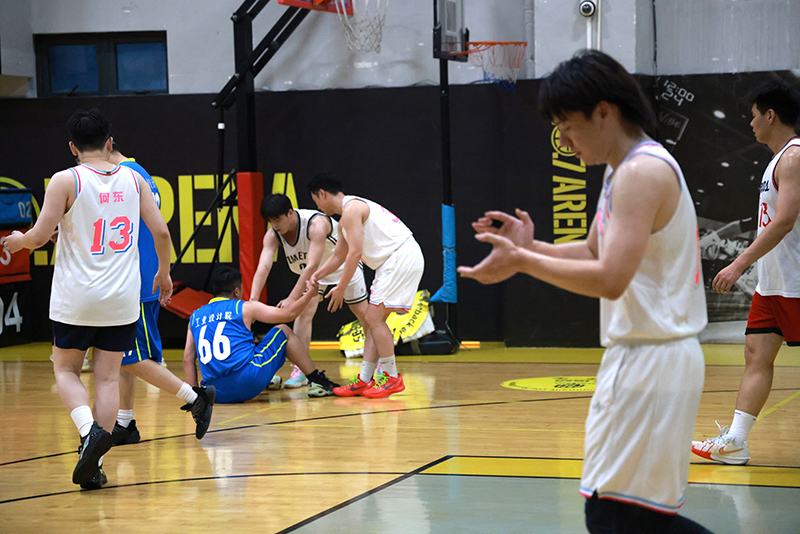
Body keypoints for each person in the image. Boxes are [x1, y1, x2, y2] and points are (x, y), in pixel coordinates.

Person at [458, 50, 712, 533]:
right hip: (641, 356)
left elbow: (610, 278)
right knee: (621, 514)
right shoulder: (622, 169)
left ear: (603, 111)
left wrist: (523, 262)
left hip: (654, 359)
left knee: (619, 516)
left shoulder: (641, 172)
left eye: (567, 126)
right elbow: (596, 250)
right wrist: (530, 247)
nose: (565, 140)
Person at [3, 109, 173, 490]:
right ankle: (94, 464)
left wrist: (19, 241)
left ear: (72, 147)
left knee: (65, 371)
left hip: (77, 297)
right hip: (122, 299)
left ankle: (88, 431)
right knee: (108, 379)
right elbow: (161, 232)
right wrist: (163, 273)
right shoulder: (135, 178)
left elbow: (38, 236)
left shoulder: (65, 180)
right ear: (110, 142)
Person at [692, 83, 800, 466]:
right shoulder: (776, 161)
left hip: (796, 284)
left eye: (754, 115)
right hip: (773, 285)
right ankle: (736, 442)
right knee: (756, 354)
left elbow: (784, 221)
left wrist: (739, 263)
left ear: (770, 115)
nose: (751, 123)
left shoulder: (794, 157)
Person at [107, 143, 215, 446]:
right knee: (125, 355)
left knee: (129, 357)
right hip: (143, 277)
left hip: (135, 281)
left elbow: (157, 231)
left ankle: (195, 397)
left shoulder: (122, 177)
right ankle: (124, 423)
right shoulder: (140, 172)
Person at [308, 175, 424, 399]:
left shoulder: (352, 209)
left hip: (399, 257)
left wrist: (341, 287)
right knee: (373, 320)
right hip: (392, 261)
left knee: (373, 318)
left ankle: (391, 378)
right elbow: (339, 255)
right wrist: (317, 275)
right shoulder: (345, 219)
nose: (318, 207)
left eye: (316, 201)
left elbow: (355, 253)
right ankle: (364, 379)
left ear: (322, 193)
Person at [250, 193, 369, 389]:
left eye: (277, 219)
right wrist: (252, 301)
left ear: (290, 213)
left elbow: (312, 264)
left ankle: (377, 364)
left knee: (364, 315)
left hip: (342, 266)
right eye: (270, 221)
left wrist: (292, 297)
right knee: (303, 313)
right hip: (315, 274)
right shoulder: (272, 234)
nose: (275, 225)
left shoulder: (316, 224)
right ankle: (302, 370)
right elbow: (263, 266)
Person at [182, 266, 340, 403]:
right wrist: (309, 294)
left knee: (248, 347)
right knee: (283, 330)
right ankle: (318, 382)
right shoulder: (243, 307)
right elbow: (289, 314)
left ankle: (268, 380)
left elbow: (187, 360)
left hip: (214, 392)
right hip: (247, 382)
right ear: (237, 291)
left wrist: (196, 397)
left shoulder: (195, 317)